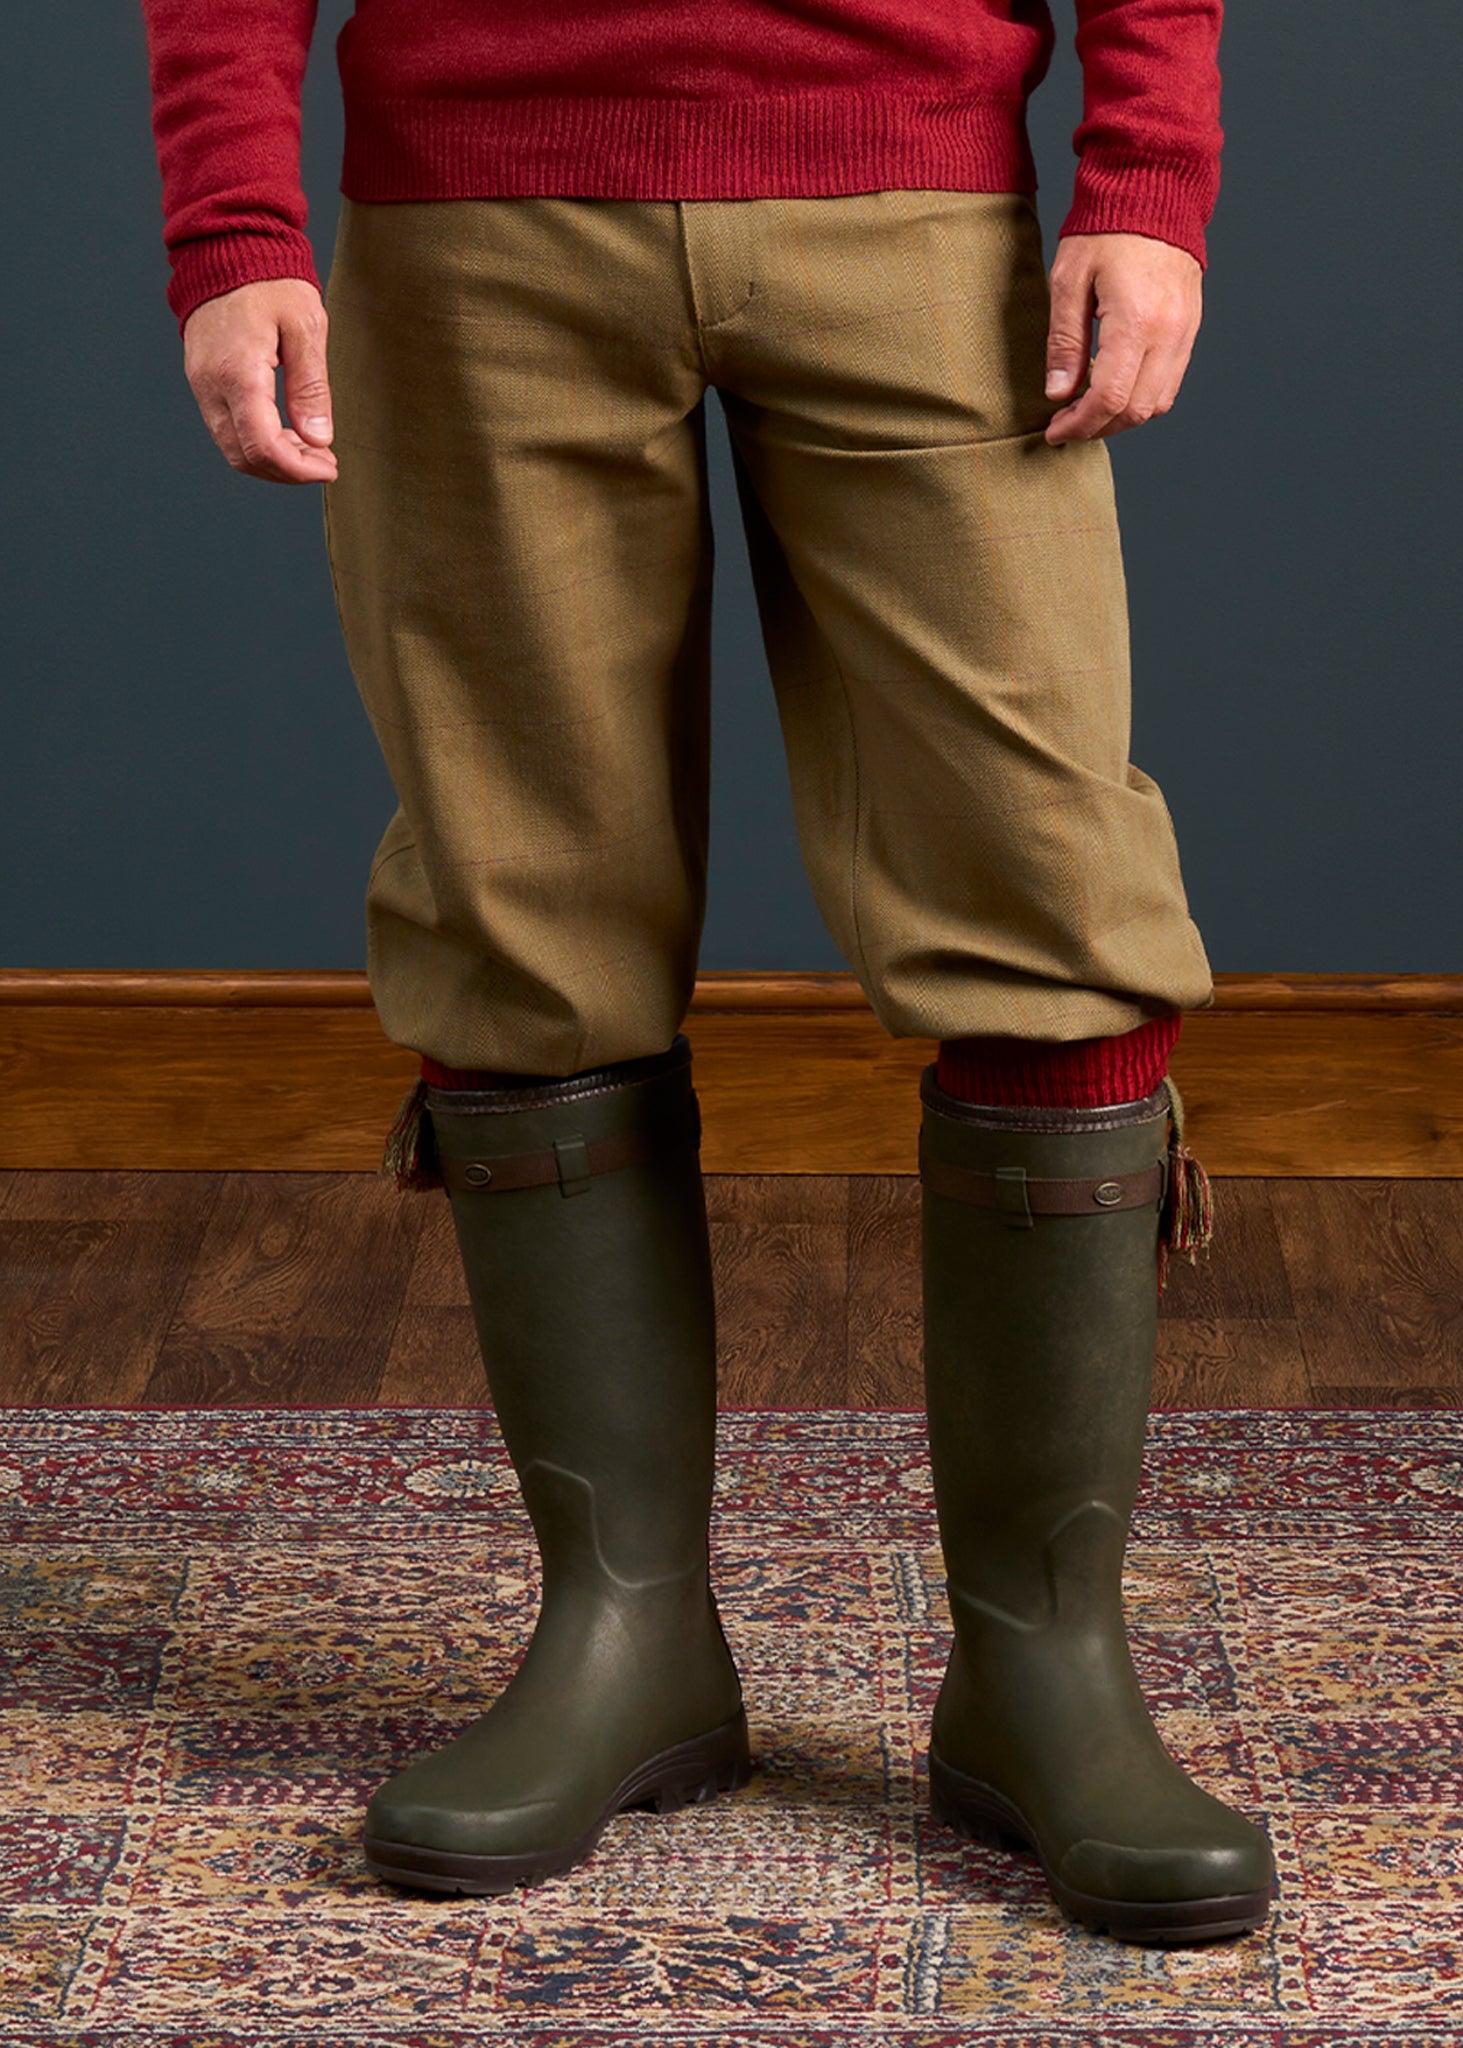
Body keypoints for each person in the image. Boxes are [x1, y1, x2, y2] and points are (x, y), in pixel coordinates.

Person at [141, 0, 1276, 1946]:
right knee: (519, 903)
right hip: (475, 207)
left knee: (1047, 899)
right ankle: (628, 1631)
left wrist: (1150, 172)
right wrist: (233, 221)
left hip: (915, 191)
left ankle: (1043, 1664)